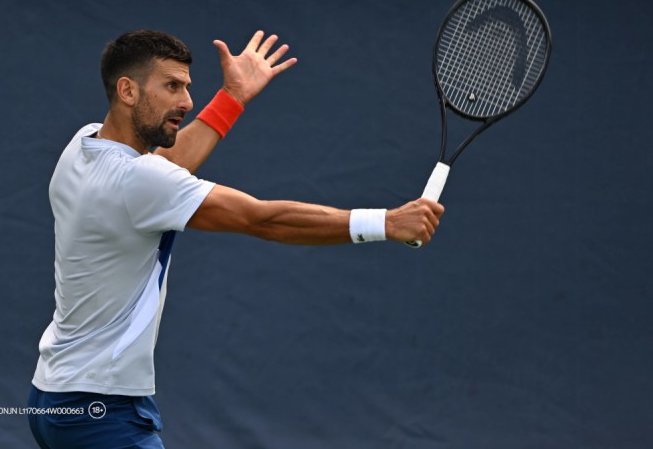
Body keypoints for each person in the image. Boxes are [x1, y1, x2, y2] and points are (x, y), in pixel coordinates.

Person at [27, 29, 444, 448]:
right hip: (103, 410)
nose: (187, 102)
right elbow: (261, 219)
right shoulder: (138, 180)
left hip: (51, 396)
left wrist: (232, 96)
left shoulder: (84, 143)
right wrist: (385, 222)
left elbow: (168, 163)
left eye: (188, 87)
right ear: (127, 90)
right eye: (172, 86)